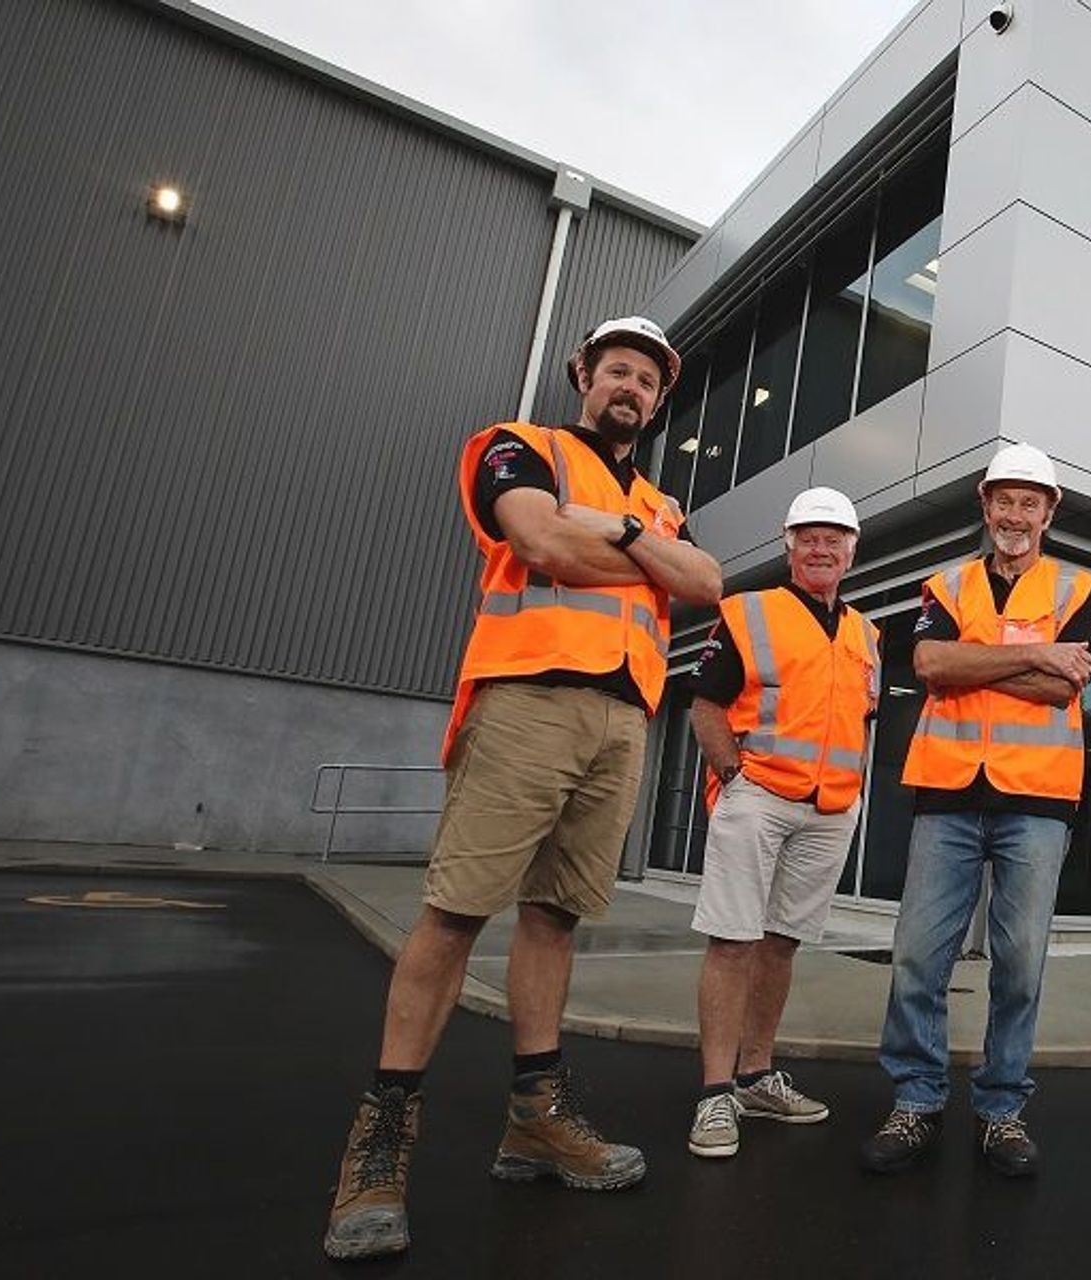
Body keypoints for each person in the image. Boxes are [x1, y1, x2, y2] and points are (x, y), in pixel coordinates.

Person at [322, 316, 723, 1261]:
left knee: (555, 917)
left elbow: (705, 581)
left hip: (624, 718)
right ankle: (377, 1149)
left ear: (659, 402)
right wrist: (643, 561)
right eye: (617, 370)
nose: (631, 388)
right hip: (529, 701)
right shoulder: (520, 449)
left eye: (647, 381)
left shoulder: (657, 501)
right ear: (584, 374)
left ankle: (536, 1117)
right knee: (456, 913)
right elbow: (541, 544)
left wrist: (622, 529)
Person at [859, 442, 1091, 1179]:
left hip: (1037, 799)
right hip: (948, 793)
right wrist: (1031, 658)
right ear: (985, 504)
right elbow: (930, 667)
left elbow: (1064, 689)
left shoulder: (1077, 587)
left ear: (1049, 511)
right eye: (1005, 499)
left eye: (1031, 501)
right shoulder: (947, 583)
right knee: (917, 959)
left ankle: (1000, 1111)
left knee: (1020, 965)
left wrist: (980, 662)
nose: (1016, 514)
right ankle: (917, 1099)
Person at [683, 487, 879, 1159]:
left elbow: (861, 719)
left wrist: (848, 795)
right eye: (809, 537)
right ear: (789, 545)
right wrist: (735, 774)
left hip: (828, 811)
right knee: (732, 942)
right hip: (758, 798)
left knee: (781, 943)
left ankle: (756, 1076)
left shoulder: (866, 634)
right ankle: (714, 1096)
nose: (821, 548)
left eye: (834, 538)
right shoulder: (748, 612)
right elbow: (705, 705)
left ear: (852, 550)